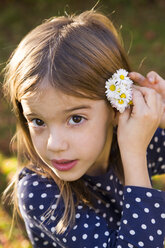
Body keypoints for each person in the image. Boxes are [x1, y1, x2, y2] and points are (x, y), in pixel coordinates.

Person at [3, 9, 165, 248]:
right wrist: (134, 154)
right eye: (38, 121)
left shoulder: (136, 140)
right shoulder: (39, 190)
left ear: (116, 107)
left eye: (75, 119)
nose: (54, 144)